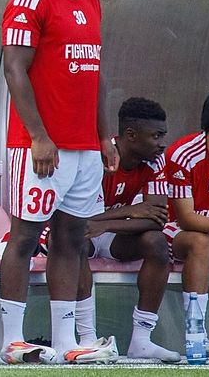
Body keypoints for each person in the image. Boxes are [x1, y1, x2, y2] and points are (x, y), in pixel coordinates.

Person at [0, 0, 119, 365]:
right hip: (40, 147)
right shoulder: (30, 0)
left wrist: (102, 134)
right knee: (26, 236)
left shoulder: (91, 2)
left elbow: (95, 73)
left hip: (84, 146)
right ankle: (13, 342)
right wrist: (39, 136)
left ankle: (66, 342)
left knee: (72, 237)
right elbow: (15, 70)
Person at [71, 97, 178, 362]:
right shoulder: (97, 154)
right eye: (156, 136)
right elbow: (79, 220)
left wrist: (106, 223)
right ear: (130, 134)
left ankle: (142, 340)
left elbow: (156, 218)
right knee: (76, 242)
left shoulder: (155, 161)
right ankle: (87, 339)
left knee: (157, 243)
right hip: (72, 232)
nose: (162, 143)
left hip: (108, 231)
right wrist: (129, 211)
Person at [163, 87, 209, 360]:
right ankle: (196, 335)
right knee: (201, 241)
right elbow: (186, 219)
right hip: (176, 229)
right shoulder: (184, 154)